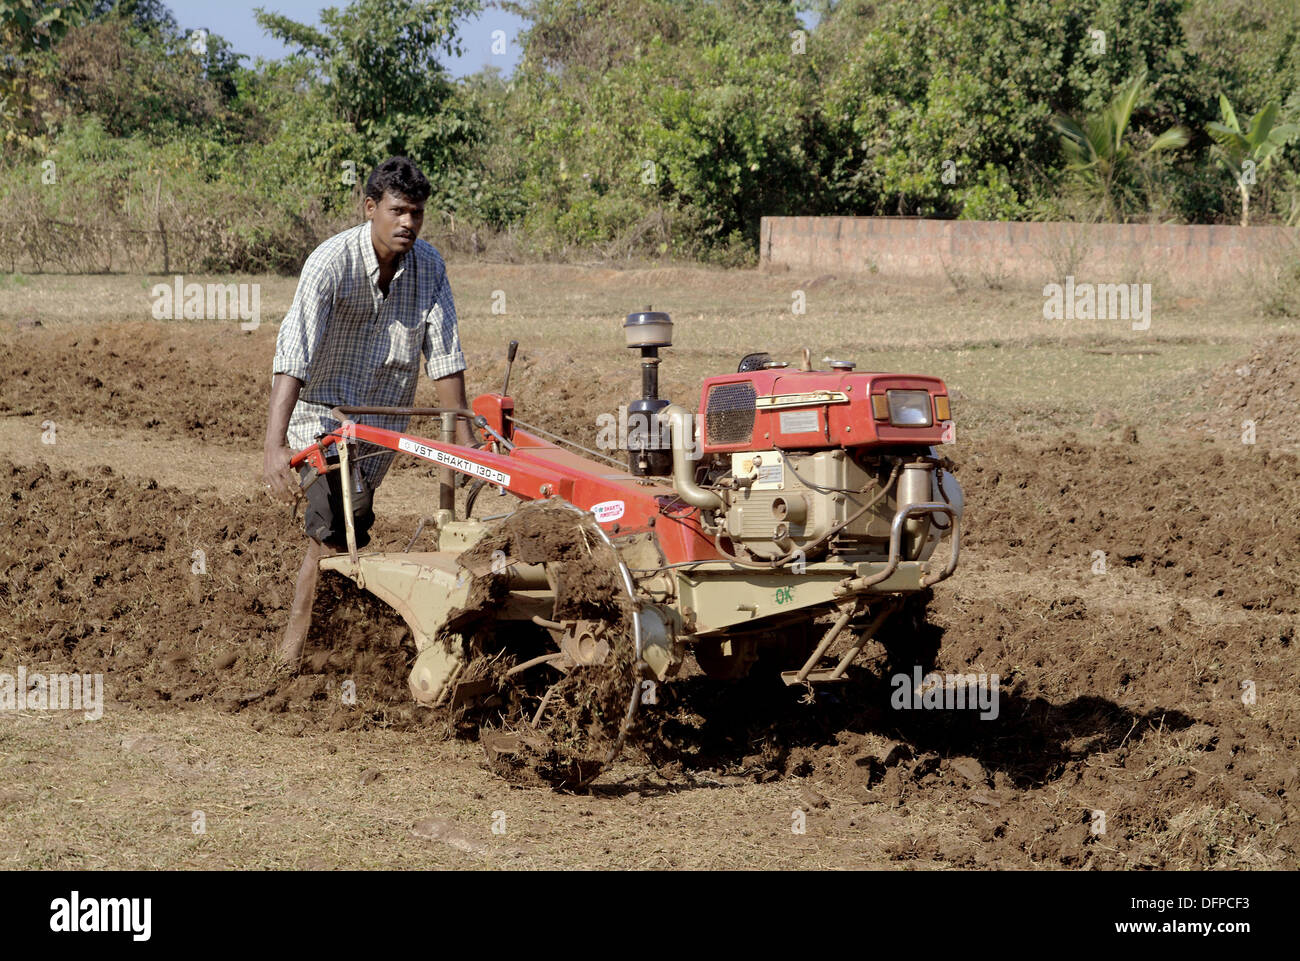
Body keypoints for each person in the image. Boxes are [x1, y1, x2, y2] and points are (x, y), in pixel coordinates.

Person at [262, 156, 475, 666]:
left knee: (351, 524)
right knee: (337, 521)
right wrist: (274, 444)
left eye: (417, 213)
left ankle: (343, 646)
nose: (408, 223)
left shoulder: (430, 267)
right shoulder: (330, 263)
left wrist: (464, 443)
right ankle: (297, 652)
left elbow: (444, 355)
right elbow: (294, 351)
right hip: (319, 416)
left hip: (380, 425)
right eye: (398, 210)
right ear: (370, 208)